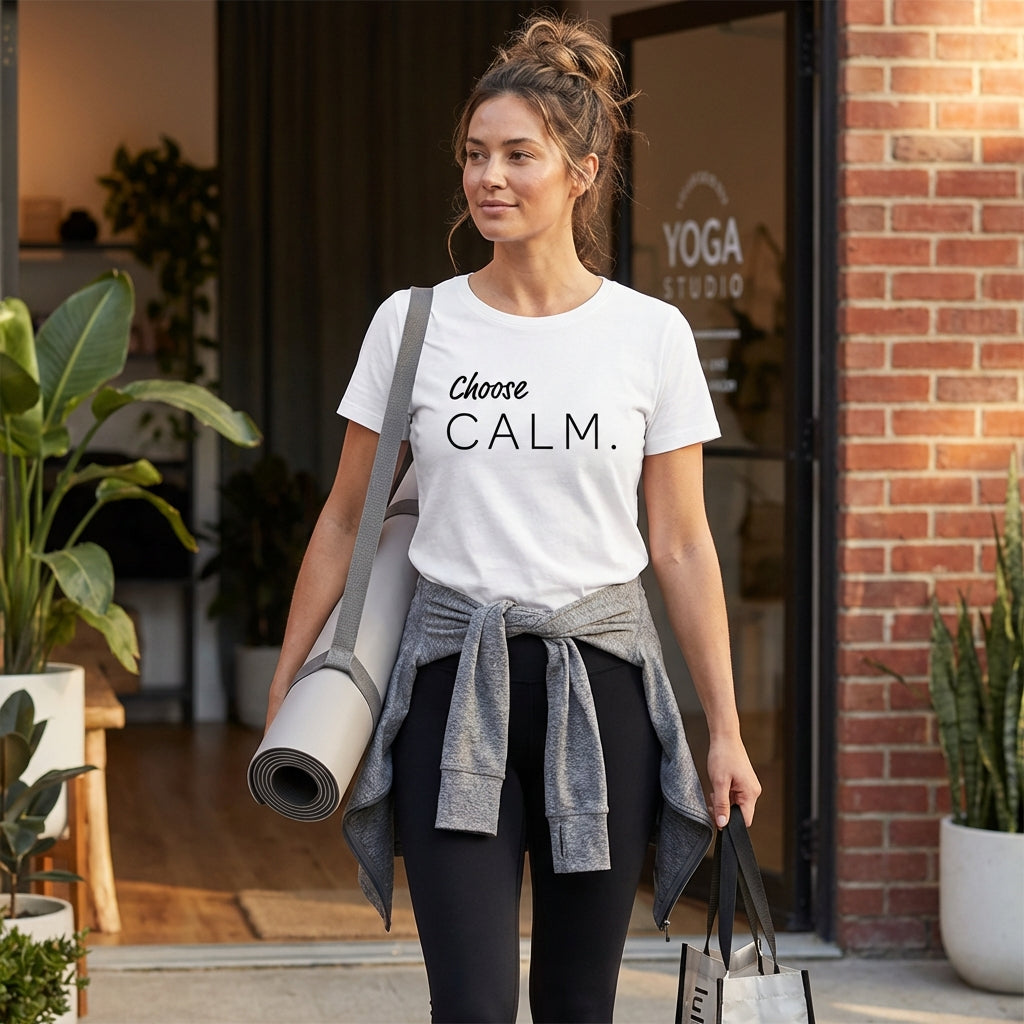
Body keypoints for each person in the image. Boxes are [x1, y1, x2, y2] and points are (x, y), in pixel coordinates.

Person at [265, 14, 761, 1023]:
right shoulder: (413, 324)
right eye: (474, 154)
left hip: (604, 692)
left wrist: (724, 728)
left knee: (579, 1004)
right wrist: (291, 683)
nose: (488, 177)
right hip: (451, 689)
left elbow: (680, 543)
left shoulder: (648, 335)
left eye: (517, 155)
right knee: (473, 1007)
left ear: (582, 172)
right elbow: (345, 520)